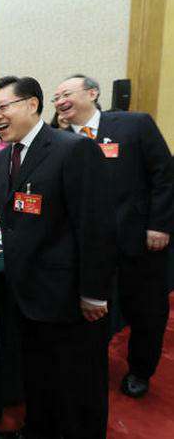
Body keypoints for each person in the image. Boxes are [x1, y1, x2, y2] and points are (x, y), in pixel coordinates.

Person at [0, 75, 112, 439]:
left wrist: (94, 292)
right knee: (37, 374)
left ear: (32, 104)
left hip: (66, 295)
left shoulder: (72, 149)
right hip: (25, 292)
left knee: (73, 382)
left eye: (2, 107)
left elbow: (95, 225)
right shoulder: (4, 157)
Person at [54, 73, 174, 398]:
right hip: (87, 248)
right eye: (56, 98)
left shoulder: (134, 125)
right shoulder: (58, 139)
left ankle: (140, 370)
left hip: (138, 240)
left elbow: (165, 175)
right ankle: (87, 367)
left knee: (146, 310)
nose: (60, 101)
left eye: (66, 93)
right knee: (90, 310)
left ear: (92, 93)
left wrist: (160, 224)